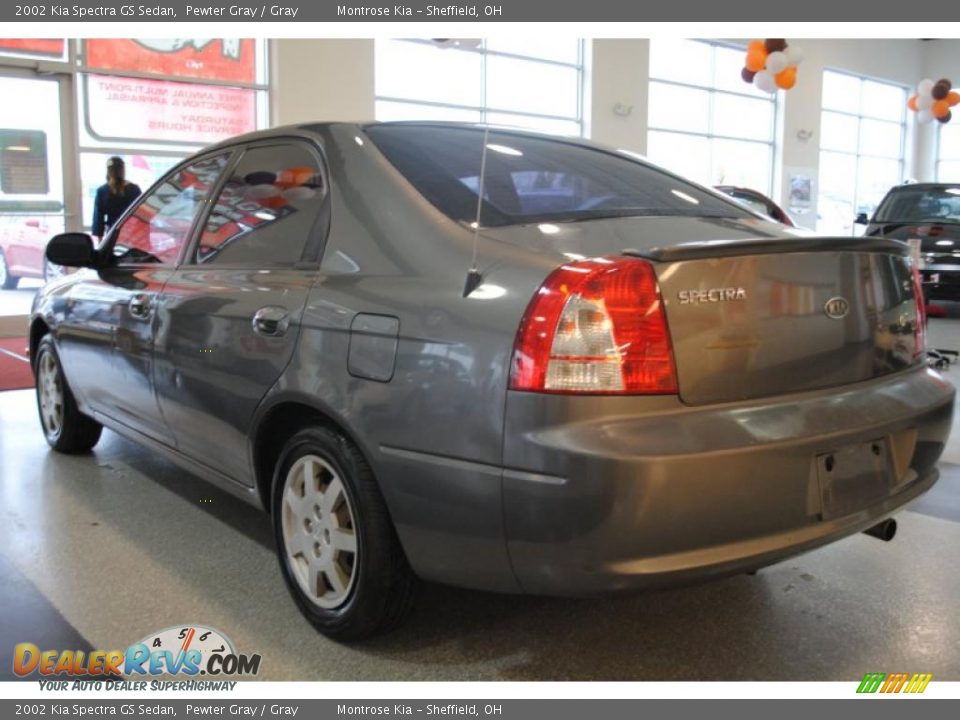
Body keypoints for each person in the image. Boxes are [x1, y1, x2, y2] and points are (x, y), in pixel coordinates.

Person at [91, 157, 141, 239]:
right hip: (132, 234)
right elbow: (141, 214)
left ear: (108, 171)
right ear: (123, 170)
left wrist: (100, 241)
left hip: (112, 234)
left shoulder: (102, 191)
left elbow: (98, 220)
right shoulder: (134, 189)